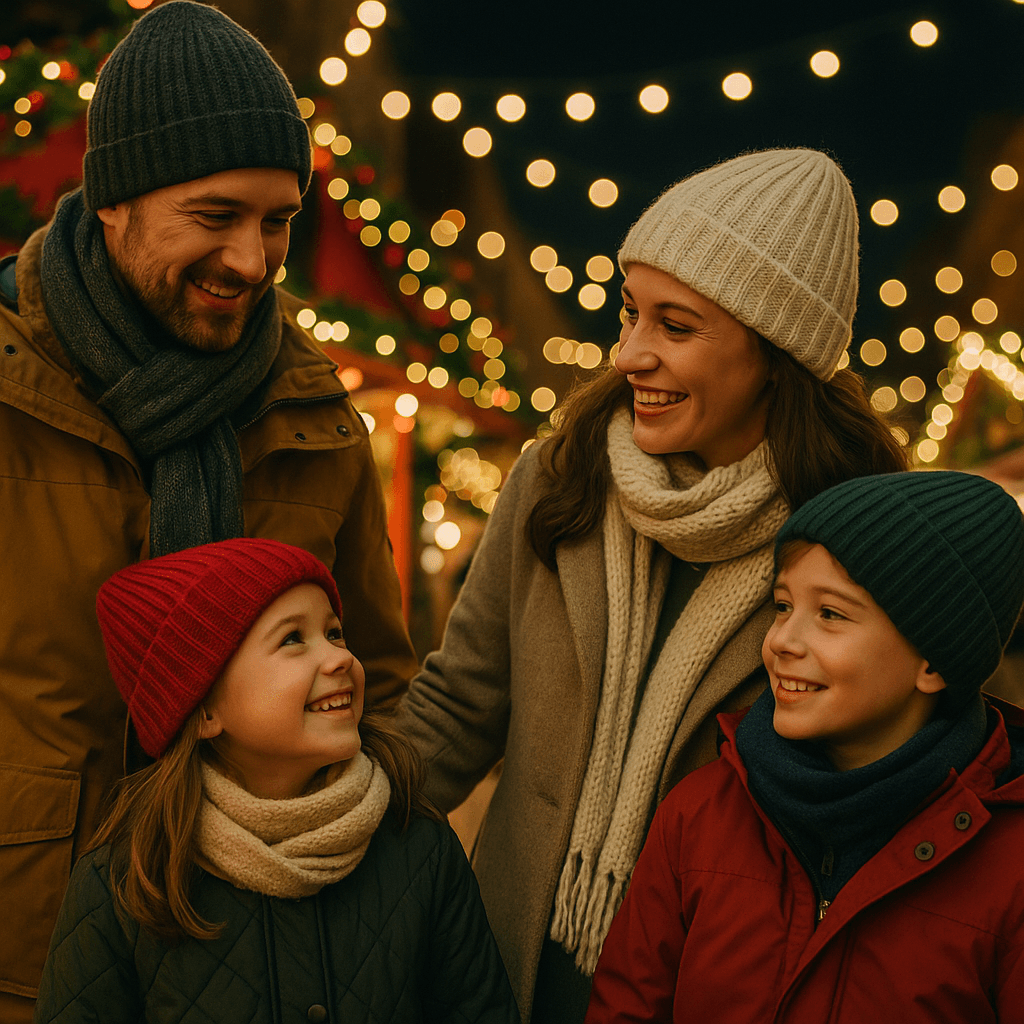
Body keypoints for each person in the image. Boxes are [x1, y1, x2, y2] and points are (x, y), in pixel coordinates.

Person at [397, 147, 909, 1022]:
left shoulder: (863, 539)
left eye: (676, 326)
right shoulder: (559, 480)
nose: (631, 353)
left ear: (776, 354)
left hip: (716, 989)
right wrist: (312, 809)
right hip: (504, 969)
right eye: (630, 314)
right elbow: (457, 707)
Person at [0, 3, 415, 1017]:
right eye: (215, 214)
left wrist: (370, 861)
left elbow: (388, 689)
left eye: (276, 221)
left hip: (261, 957)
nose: (251, 259)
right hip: (26, 955)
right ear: (114, 200)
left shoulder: (317, 418)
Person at [585, 471, 1024, 1023]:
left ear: (934, 660)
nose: (782, 642)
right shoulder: (698, 814)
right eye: (784, 605)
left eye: (831, 614)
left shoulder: (1011, 866)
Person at [33, 538, 518, 1024]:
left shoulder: (419, 848)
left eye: (335, 632)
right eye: (292, 639)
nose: (338, 659)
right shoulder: (129, 880)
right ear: (202, 708)